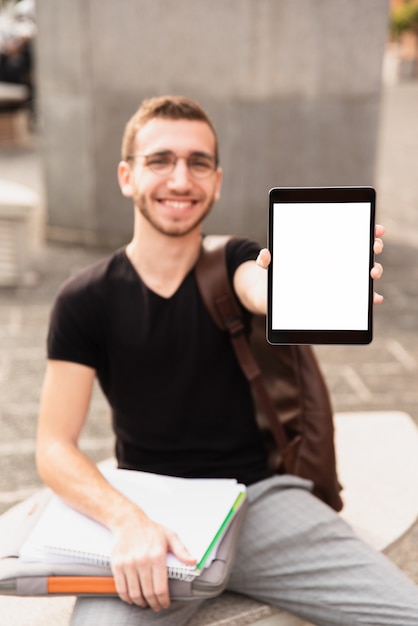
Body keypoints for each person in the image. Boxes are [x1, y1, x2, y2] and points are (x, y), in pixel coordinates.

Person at [35, 94, 418, 626]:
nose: (180, 178)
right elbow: (53, 446)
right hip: (153, 514)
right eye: (160, 160)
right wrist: (126, 520)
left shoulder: (233, 260)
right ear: (127, 176)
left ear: (217, 180)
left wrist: (295, 290)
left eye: (198, 162)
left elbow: (260, 287)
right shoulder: (84, 299)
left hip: (260, 501)